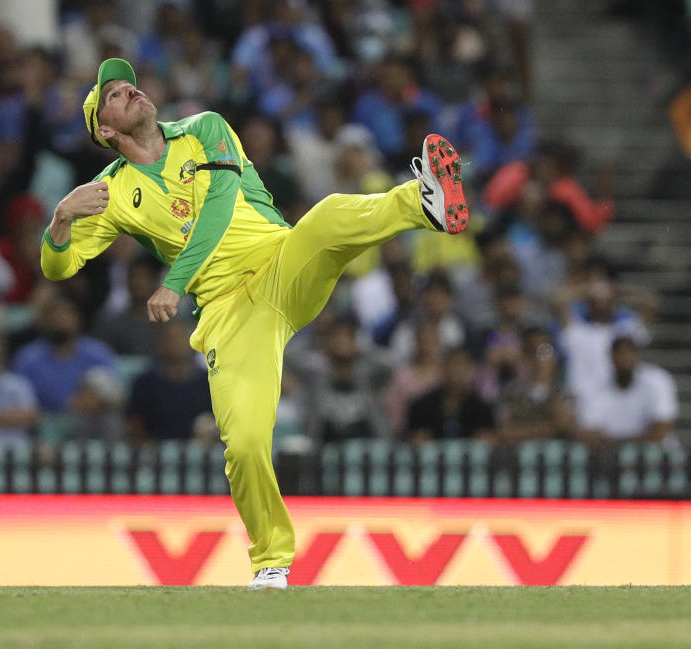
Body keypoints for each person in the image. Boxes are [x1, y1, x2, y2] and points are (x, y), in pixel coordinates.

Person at [40, 58, 469, 590]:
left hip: (279, 264)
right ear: (104, 129)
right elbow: (57, 268)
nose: (129, 88)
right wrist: (61, 217)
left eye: (129, 83)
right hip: (227, 312)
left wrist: (175, 281)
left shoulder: (204, 127)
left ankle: (420, 200)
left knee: (330, 215)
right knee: (243, 443)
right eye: (113, 94)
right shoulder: (110, 191)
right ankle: (271, 561)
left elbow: (219, 206)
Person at [576, 336, 678, 445]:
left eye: (627, 354)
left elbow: (659, 432)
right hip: (610, 456)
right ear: (610, 358)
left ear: (636, 355)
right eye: (618, 354)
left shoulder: (658, 381)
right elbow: (587, 431)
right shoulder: (596, 386)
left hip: (657, 454)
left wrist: (613, 441)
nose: (623, 359)